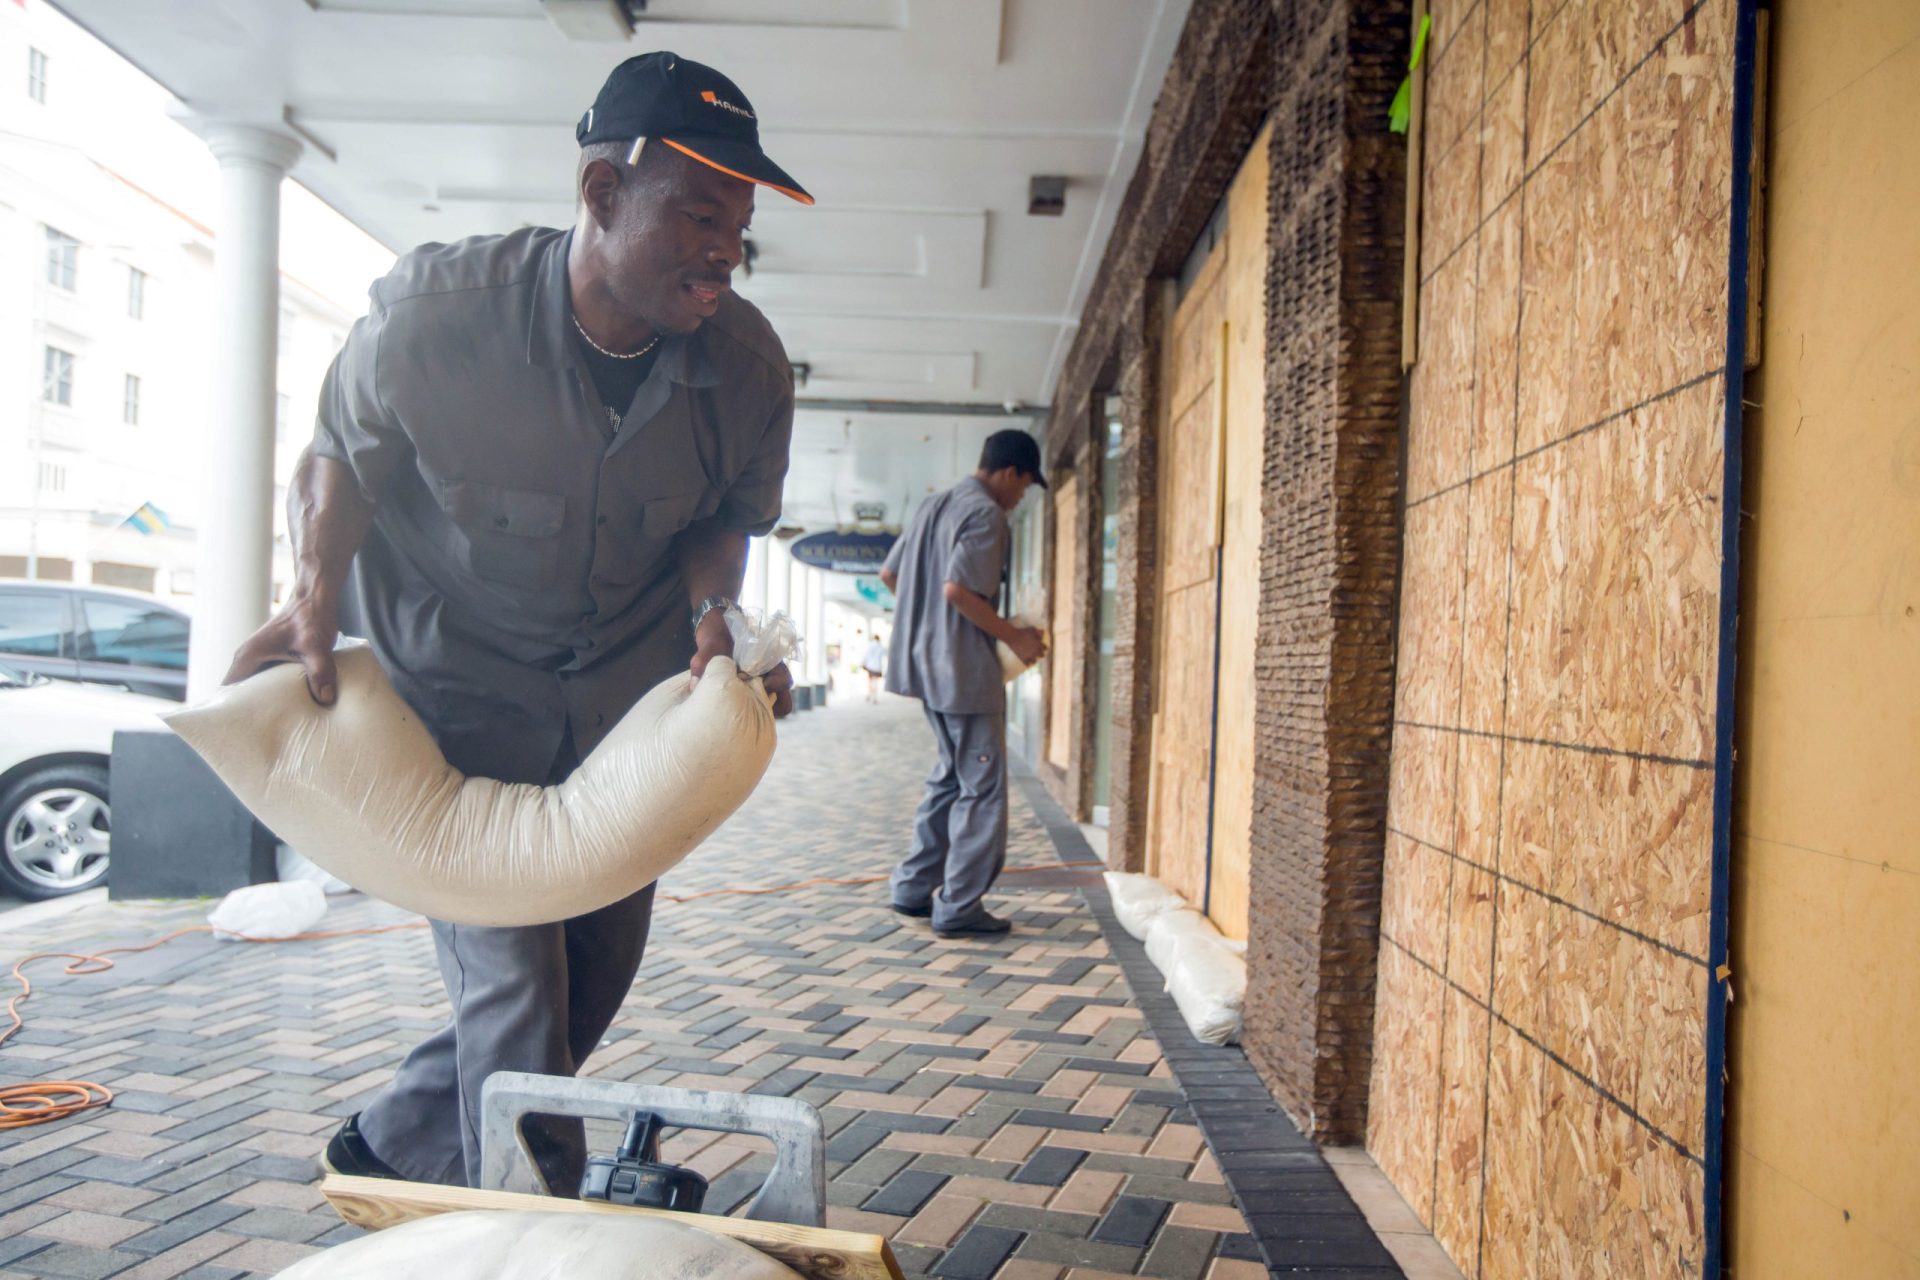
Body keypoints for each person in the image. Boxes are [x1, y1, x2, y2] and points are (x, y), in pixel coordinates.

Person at [222, 51, 811, 1193]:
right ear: (600, 196)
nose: (723, 249)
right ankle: (528, 1227)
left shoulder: (748, 370)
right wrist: (312, 595)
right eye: (697, 214)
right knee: (519, 993)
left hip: (617, 709)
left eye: (736, 224)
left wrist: (714, 624)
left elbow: (726, 517)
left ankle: (396, 1142)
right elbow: (342, 450)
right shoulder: (435, 317)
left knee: (587, 979)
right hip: (458, 695)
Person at [878, 430, 1047, 939]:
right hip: (965, 675)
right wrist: (1016, 637)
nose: (1021, 499)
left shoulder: (933, 505)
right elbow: (958, 590)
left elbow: (890, 574)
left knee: (950, 779)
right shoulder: (986, 513)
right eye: (1024, 486)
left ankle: (912, 888)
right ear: (1010, 472)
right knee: (982, 790)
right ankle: (959, 906)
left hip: (927, 668)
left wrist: (925, 617)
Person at [861, 631, 887, 703]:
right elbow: (885, 654)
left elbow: (866, 655)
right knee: (875, 682)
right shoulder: (881, 646)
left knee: (870, 681)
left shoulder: (870, 645)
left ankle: (869, 695)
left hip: (870, 666)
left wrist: (862, 662)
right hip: (877, 667)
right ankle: (874, 697)